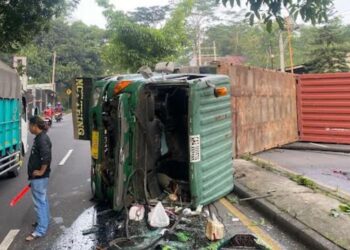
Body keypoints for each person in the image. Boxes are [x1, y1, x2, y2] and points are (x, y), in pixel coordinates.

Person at [25, 116, 52, 241]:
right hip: (39, 178)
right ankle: (45, 222)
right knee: (43, 200)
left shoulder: (42, 139)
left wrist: (41, 171)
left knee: (39, 202)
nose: (29, 128)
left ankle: (40, 229)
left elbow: (46, 157)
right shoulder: (40, 138)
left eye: (30, 125)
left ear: (35, 125)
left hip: (40, 178)